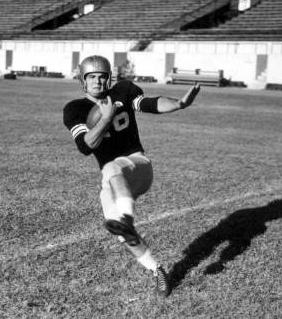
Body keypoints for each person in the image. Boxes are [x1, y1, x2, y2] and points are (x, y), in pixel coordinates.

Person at [63, 55, 201, 297]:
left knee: (111, 168)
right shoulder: (75, 109)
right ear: (82, 80)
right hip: (112, 181)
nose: (97, 81)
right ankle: (156, 269)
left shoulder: (123, 91)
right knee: (120, 231)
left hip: (138, 166)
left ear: (110, 78)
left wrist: (179, 104)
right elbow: (86, 147)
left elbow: (151, 104)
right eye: (91, 77)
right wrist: (105, 118)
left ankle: (127, 214)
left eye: (102, 76)